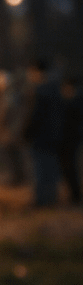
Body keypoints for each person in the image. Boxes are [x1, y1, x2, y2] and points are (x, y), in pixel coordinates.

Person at [22, 59, 64, 207]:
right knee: (51, 168)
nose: (29, 76)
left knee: (39, 169)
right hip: (54, 137)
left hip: (40, 137)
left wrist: (26, 132)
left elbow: (34, 116)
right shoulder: (56, 89)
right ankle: (52, 198)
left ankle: (41, 200)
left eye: (31, 72)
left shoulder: (39, 91)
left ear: (37, 72)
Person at [60, 77, 82, 205]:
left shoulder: (75, 100)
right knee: (70, 168)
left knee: (70, 168)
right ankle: (74, 194)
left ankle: (75, 195)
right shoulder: (75, 100)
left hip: (71, 140)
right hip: (71, 139)